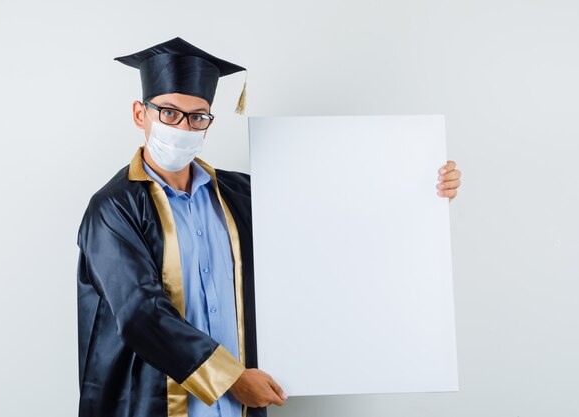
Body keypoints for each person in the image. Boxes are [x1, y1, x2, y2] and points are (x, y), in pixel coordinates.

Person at [76, 37, 462, 417]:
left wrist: (422, 191)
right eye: (169, 112)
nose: (183, 127)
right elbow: (140, 313)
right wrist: (230, 378)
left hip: (240, 403)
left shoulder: (241, 194)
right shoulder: (113, 209)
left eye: (198, 116)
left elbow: (330, 220)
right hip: (156, 402)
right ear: (140, 114)